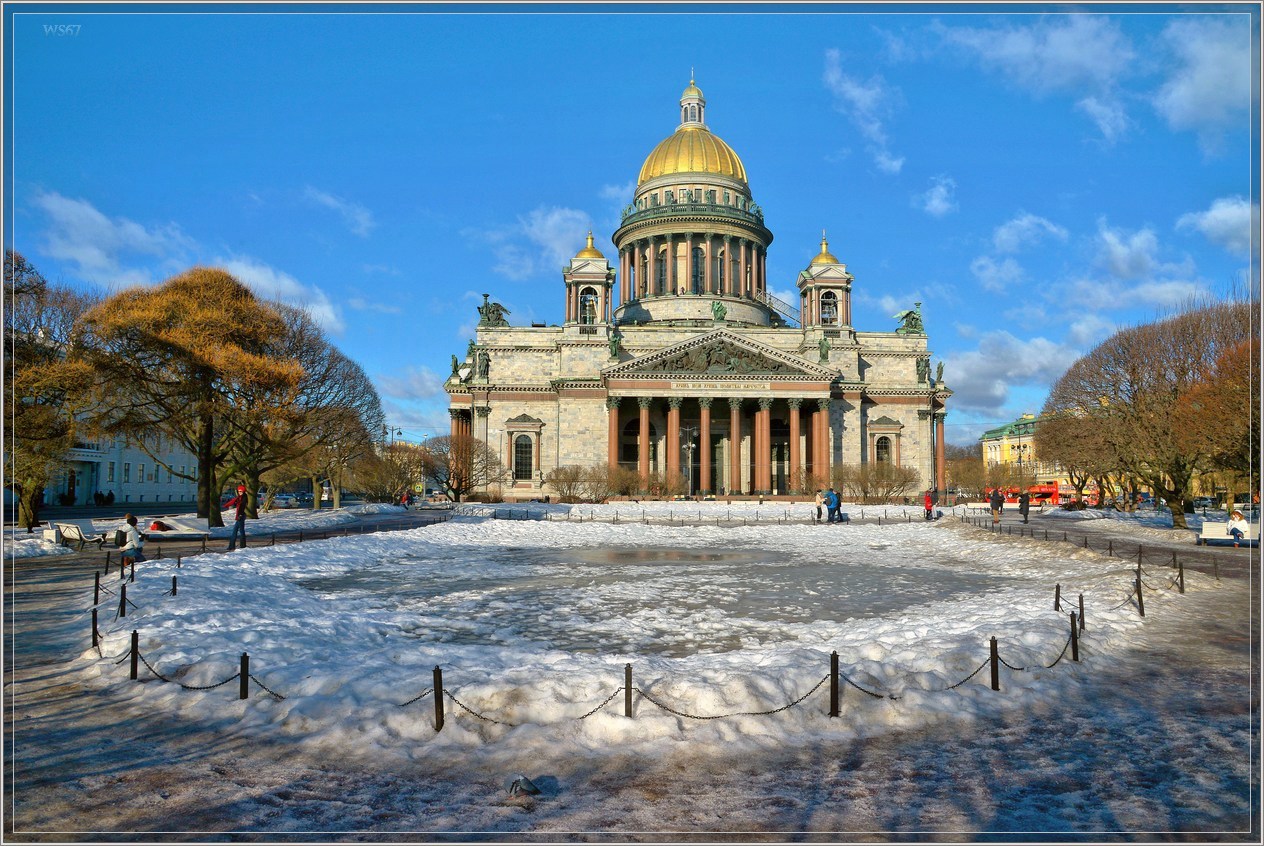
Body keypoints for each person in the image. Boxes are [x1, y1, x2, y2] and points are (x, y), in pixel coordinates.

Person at [227, 484, 248, 551]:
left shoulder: (244, 497)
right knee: (236, 531)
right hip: (239, 516)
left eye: (241, 491)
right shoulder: (240, 497)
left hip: (240, 516)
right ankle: (233, 545)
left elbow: (242, 507)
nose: (239, 492)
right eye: (239, 491)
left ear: (243, 491)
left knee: (240, 531)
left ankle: (241, 545)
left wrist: (240, 515)